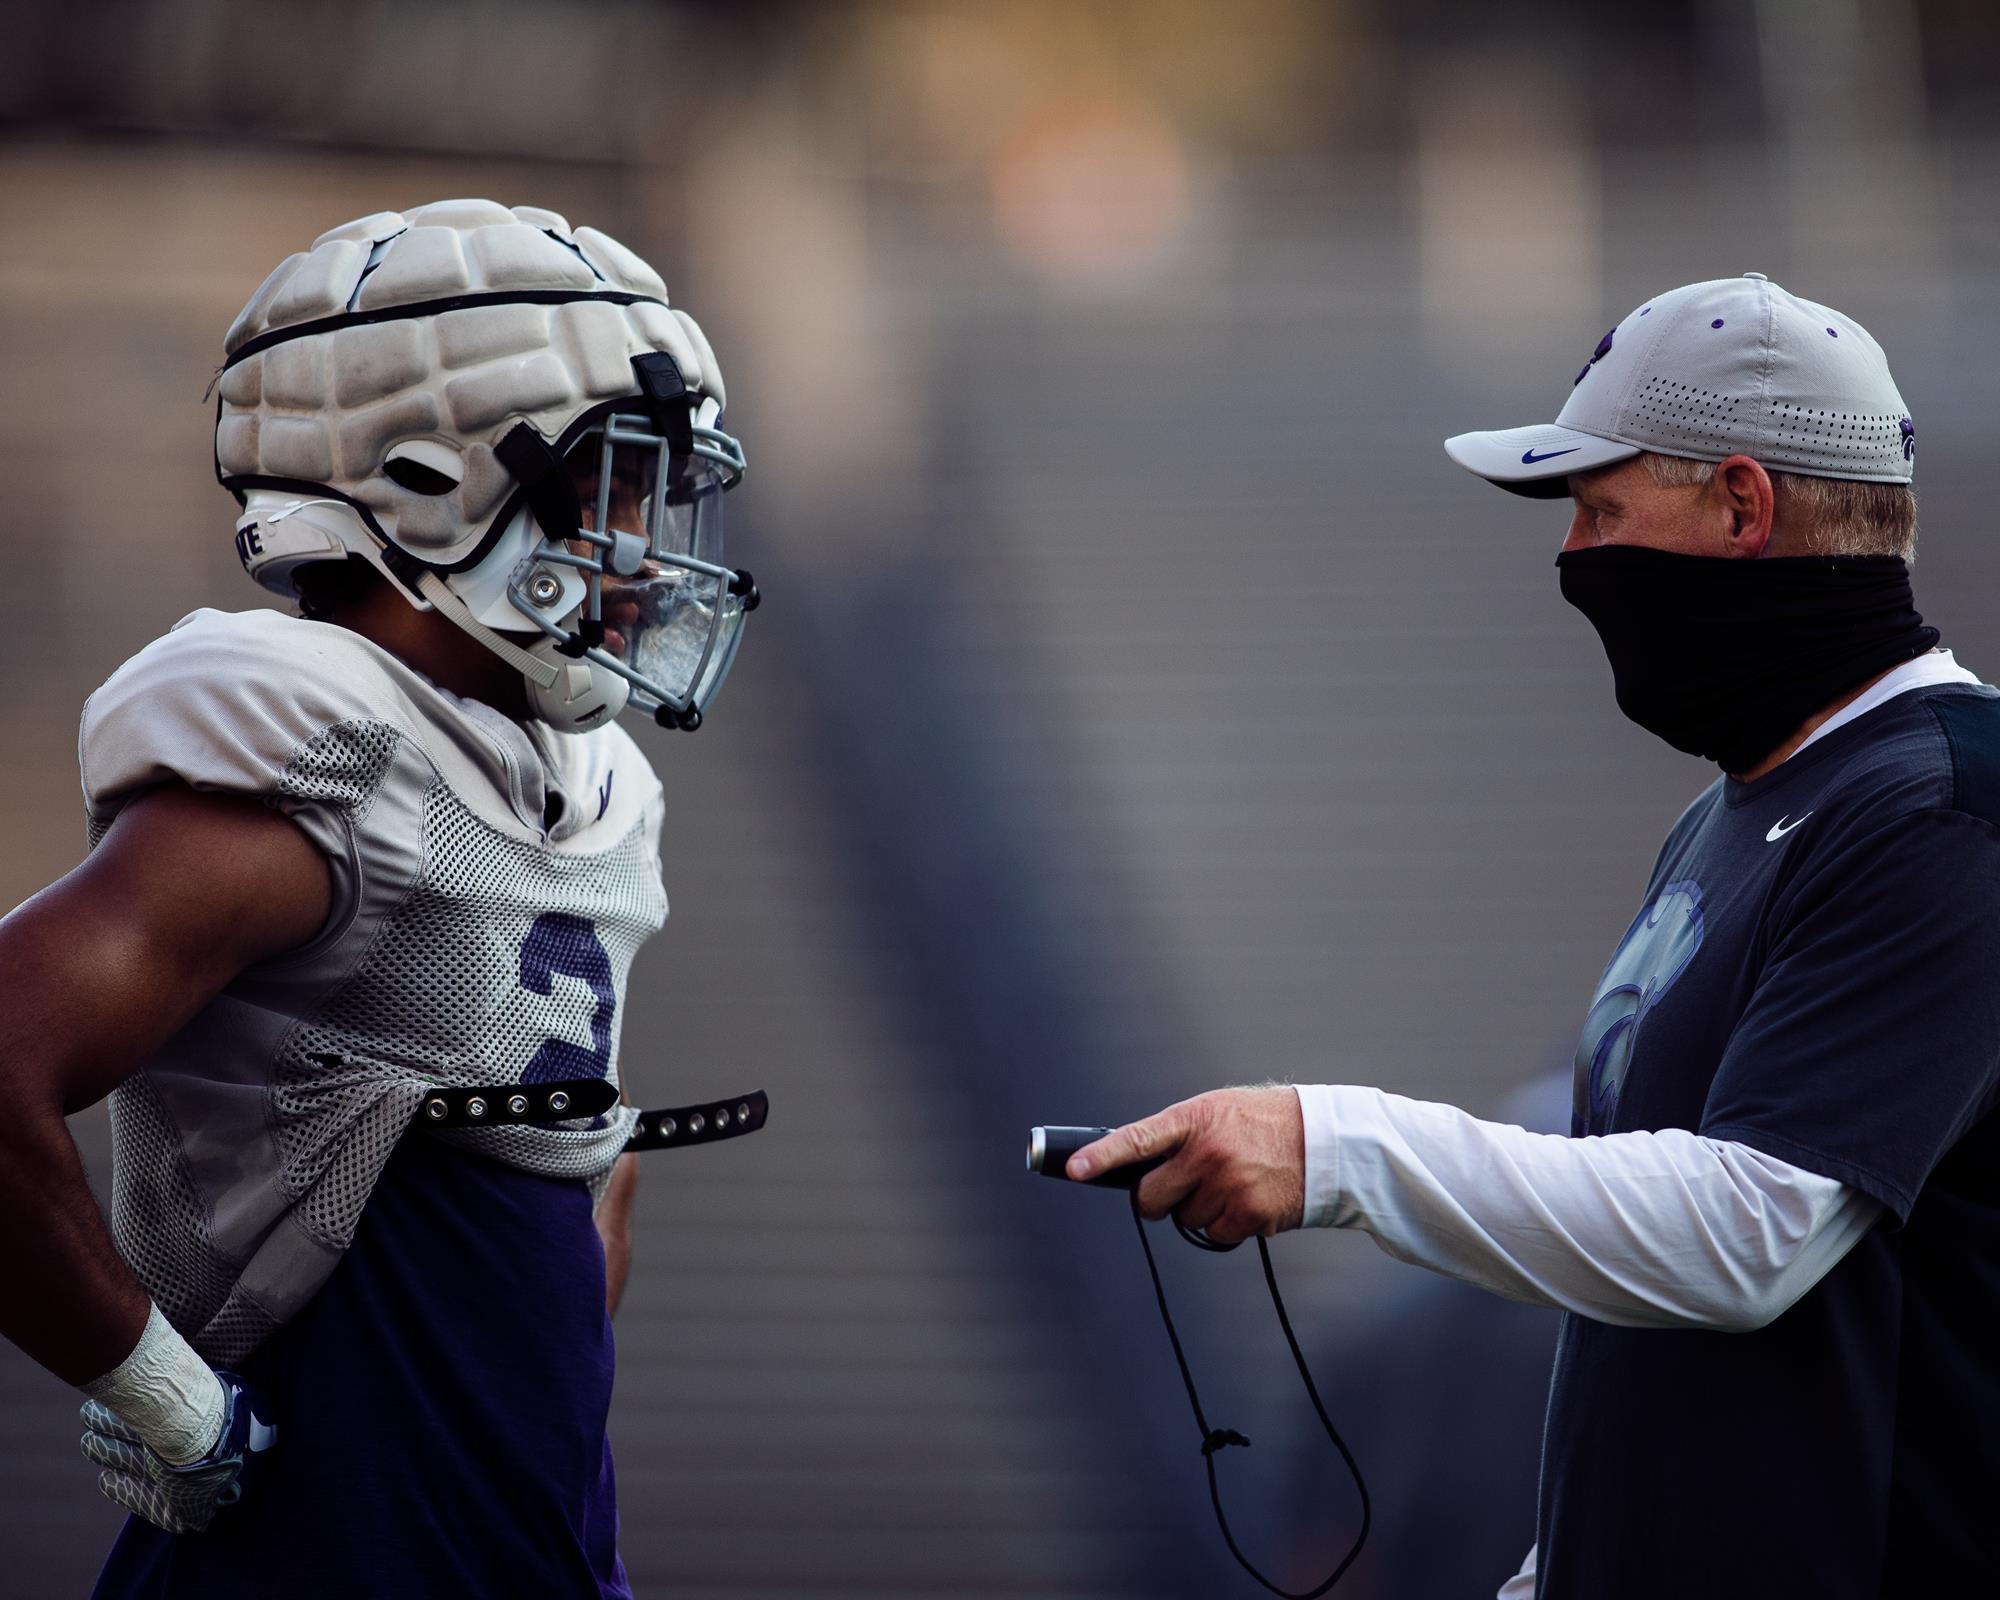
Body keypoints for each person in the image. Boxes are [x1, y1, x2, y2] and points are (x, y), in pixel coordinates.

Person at [1070, 273, 2000, 1599]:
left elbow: (1752, 1234)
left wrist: (1331, 1146)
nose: (1574, 559)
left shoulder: (1947, 806)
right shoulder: (1727, 817)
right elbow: (1649, 1310)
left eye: (1601, 508)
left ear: (1744, 503)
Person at [0, 198, 757, 1597]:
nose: (647, 550)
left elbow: (591, 1160)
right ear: (428, 483)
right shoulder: (328, 771)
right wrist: (161, 1389)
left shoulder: (571, 780)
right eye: (615, 489)